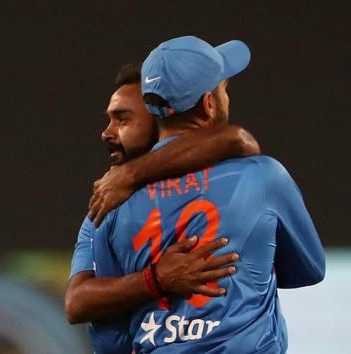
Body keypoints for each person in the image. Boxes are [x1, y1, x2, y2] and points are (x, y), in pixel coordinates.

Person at [92, 36, 325, 353]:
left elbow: (109, 333)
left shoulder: (112, 200)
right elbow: (309, 269)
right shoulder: (263, 177)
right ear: (209, 103)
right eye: (224, 89)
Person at [65, 63, 262, 352]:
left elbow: (237, 139)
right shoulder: (107, 205)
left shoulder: (220, 193)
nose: (106, 133)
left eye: (122, 119)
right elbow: (76, 302)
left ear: (158, 122)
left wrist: (132, 174)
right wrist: (156, 279)